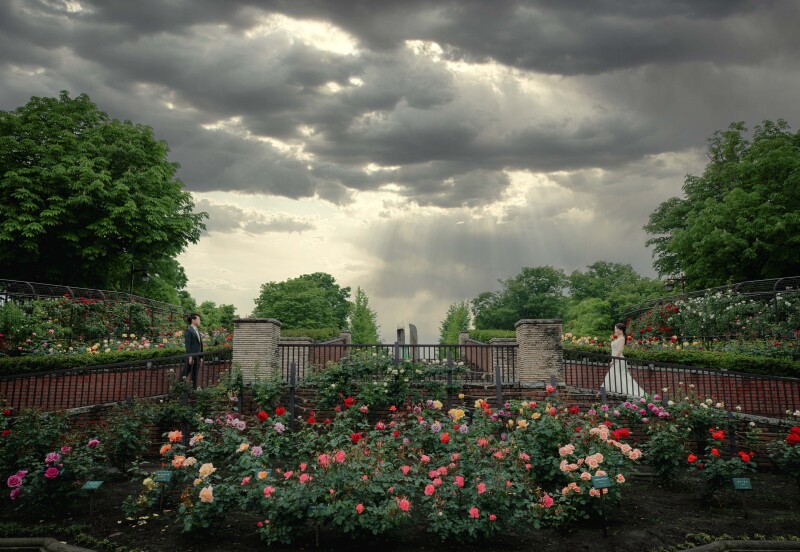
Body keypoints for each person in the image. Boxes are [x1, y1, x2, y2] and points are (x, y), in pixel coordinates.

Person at [602, 323, 645, 398]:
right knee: (615, 376)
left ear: (621, 330)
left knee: (621, 376)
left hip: (619, 360)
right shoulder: (619, 338)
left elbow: (620, 350)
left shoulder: (622, 338)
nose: (614, 330)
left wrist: (614, 360)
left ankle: (630, 393)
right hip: (616, 359)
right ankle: (615, 391)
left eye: (616, 329)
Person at [182, 313, 203, 387]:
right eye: (199, 319)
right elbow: (188, 345)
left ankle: (194, 392)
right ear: (193, 320)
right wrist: (190, 356)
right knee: (184, 375)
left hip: (197, 357)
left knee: (195, 376)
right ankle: (176, 390)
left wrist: (201, 357)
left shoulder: (197, 331)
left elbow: (200, 345)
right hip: (191, 357)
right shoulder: (189, 330)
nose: (200, 321)